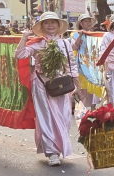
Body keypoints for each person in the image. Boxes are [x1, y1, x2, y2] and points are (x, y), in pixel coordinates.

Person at [15, 12, 78, 165]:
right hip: (41, 84)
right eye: (47, 23)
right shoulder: (37, 43)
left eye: (53, 22)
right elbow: (20, 54)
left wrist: (76, 85)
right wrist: (25, 38)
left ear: (58, 25)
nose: (50, 25)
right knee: (46, 117)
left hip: (62, 85)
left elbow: (72, 64)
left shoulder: (65, 43)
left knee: (64, 117)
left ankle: (59, 146)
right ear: (42, 26)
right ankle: (52, 153)